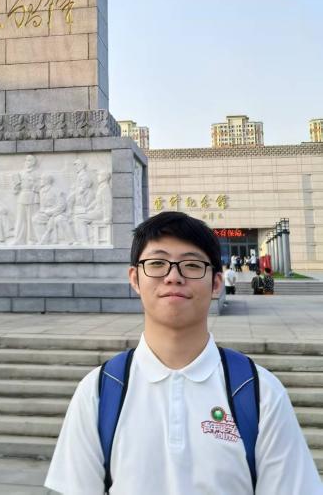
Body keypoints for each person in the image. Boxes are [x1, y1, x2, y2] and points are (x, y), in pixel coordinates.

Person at [45, 211, 321, 494]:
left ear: (216, 283)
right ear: (135, 278)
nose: (173, 277)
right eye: (157, 263)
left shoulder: (260, 392)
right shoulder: (99, 391)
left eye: (191, 265)